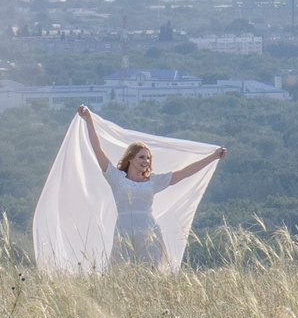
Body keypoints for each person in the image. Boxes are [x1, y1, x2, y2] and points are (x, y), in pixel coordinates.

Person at [77, 104, 225, 268]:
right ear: (131, 158)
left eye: (148, 158)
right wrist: (89, 119)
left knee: (150, 273)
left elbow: (184, 173)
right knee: (122, 273)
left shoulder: (153, 181)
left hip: (149, 232)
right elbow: (97, 149)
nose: (145, 162)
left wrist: (213, 157)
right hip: (124, 232)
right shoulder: (116, 178)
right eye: (141, 157)